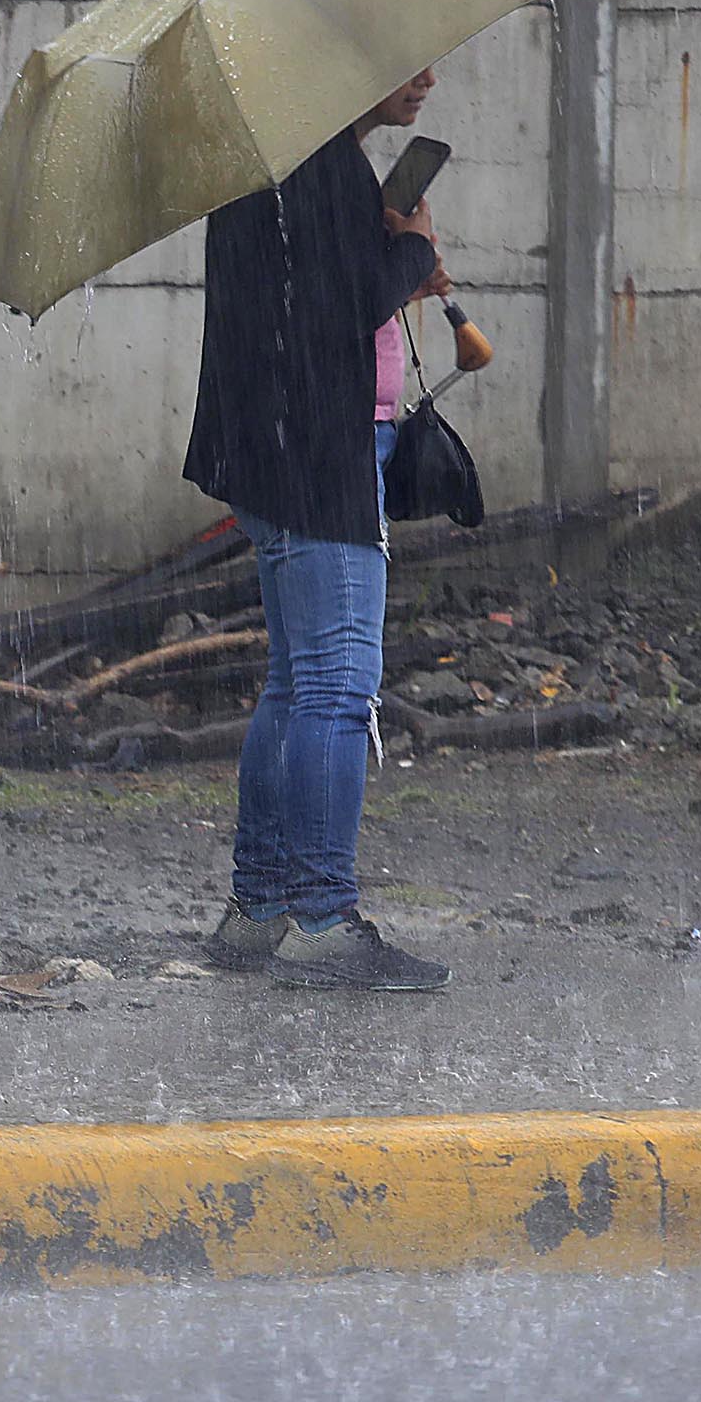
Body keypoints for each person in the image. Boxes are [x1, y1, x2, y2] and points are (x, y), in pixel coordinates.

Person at [182, 67, 454, 990]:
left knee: (295, 687)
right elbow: (339, 311)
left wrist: (385, 250)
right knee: (338, 691)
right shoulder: (321, 168)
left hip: (270, 453)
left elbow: (306, 301)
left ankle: (260, 909)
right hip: (318, 459)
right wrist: (412, 251)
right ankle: (323, 921)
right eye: (402, 57)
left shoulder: (274, 156)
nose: (423, 78)